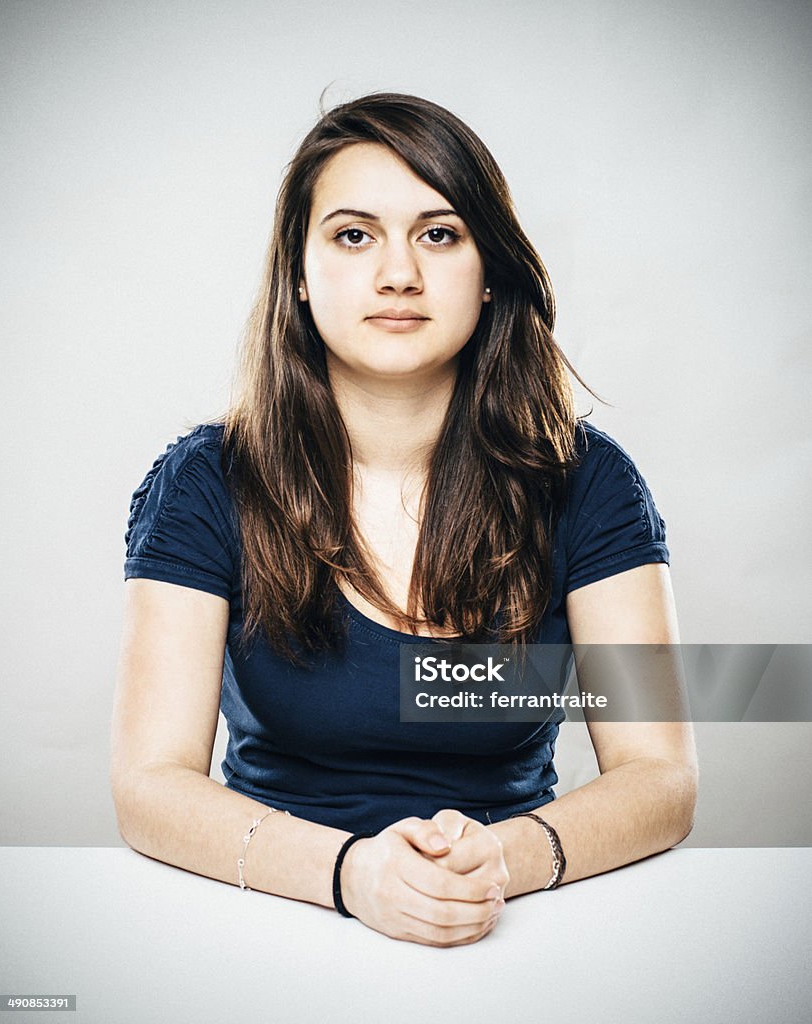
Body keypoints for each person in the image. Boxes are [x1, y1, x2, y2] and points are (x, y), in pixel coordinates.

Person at [111, 92, 698, 948]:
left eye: (439, 233)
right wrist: (354, 877)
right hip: (270, 914)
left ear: (489, 267)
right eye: (354, 235)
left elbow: (660, 776)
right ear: (300, 275)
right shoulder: (207, 481)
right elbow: (150, 784)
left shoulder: (587, 480)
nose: (398, 275)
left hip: (524, 920)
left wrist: (499, 861)